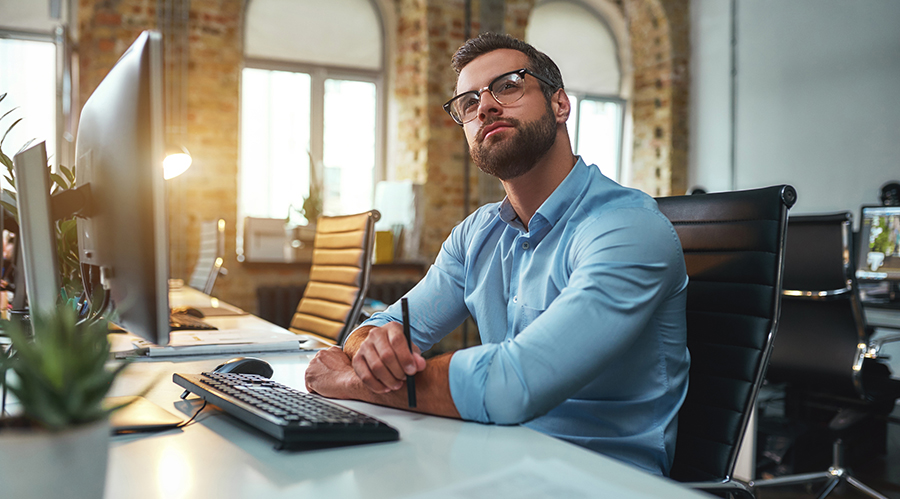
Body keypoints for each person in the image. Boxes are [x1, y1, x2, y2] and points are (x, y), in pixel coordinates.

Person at [305, 33, 690, 476]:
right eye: (468, 102)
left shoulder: (626, 227)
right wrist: (369, 348)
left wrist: (351, 382)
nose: (484, 107)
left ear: (560, 105)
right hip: (497, 460)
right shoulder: (477, 234)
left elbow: (513, 384)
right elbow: (387, 323)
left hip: (600, 479)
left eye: (508, 85)